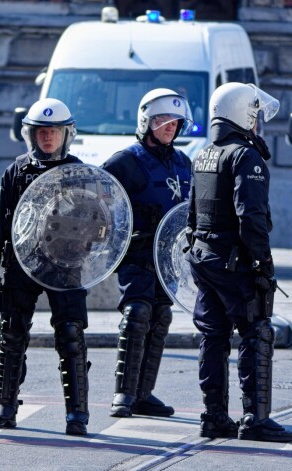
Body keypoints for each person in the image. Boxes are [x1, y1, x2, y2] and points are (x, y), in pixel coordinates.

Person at [186, 82, 292, 443]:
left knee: (213, 337)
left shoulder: (204, 154)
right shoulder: (244, 157)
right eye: (255, 115)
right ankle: (255, 418)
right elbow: (250, 216)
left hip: (205, 257)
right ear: (243, 114)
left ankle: (214, 416)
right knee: (256, 332)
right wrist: (264, 264)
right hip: (234, 262)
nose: (258, 123)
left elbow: (191, 215)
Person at [0, 98, 91, 436]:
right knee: (11, 334)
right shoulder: (15, 171)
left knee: (71, 336)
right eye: (41, 132)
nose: (47, 138)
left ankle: (77, 415)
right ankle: (5, 407)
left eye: (53, 131)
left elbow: (97, 222)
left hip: (65, 267)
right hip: (21, 265)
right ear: (31, 135)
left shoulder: (80, 173)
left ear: (65, 134)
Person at [102, 88, 193, 418]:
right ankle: (123, 395)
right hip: (137, 253)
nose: (170, 126)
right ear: (146, 121)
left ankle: (144, 393)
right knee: (137, 313)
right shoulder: (126, 161)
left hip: (169, 259)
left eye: (175, 122)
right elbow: (96, 197)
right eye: (162, 120)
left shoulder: (184, 163)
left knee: (160, 317)